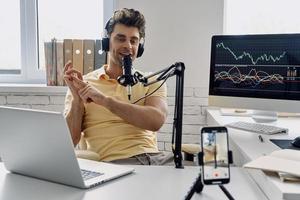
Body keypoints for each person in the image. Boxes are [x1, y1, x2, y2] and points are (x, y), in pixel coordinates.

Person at [63, 8, 172, 165]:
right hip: (115, 163)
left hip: (155, 159)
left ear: (139, 47)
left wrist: (105, 101)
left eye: (133, 41)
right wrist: (77, 100)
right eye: (120, 39)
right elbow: (70, 141)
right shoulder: (84, 84)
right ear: (107, 42)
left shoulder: (152, 80)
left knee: (206, 170)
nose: (128, 46)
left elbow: (156, 121)